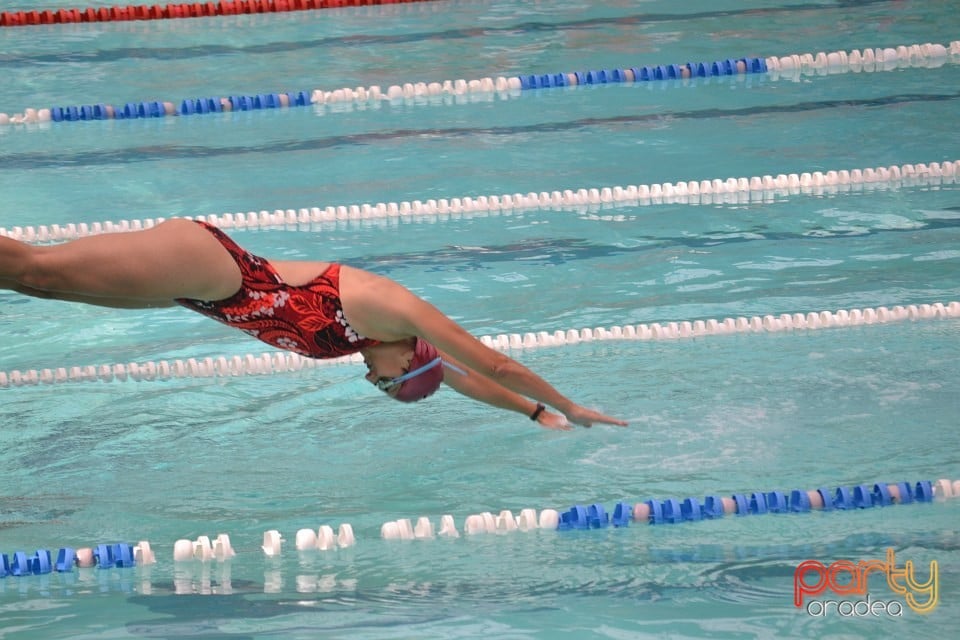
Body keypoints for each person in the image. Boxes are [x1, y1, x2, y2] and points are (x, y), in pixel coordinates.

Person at [0, 219, 627, 430]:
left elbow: (470, 382)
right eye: (385, 385)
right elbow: (493, 364)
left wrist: (534, 415)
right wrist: (571, 404)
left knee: (34, 287)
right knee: (39, 270)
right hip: (210, 268)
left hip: (196, 295)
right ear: (410, 360)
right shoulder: (389, 309)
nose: (371, 383)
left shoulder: (378, 345)